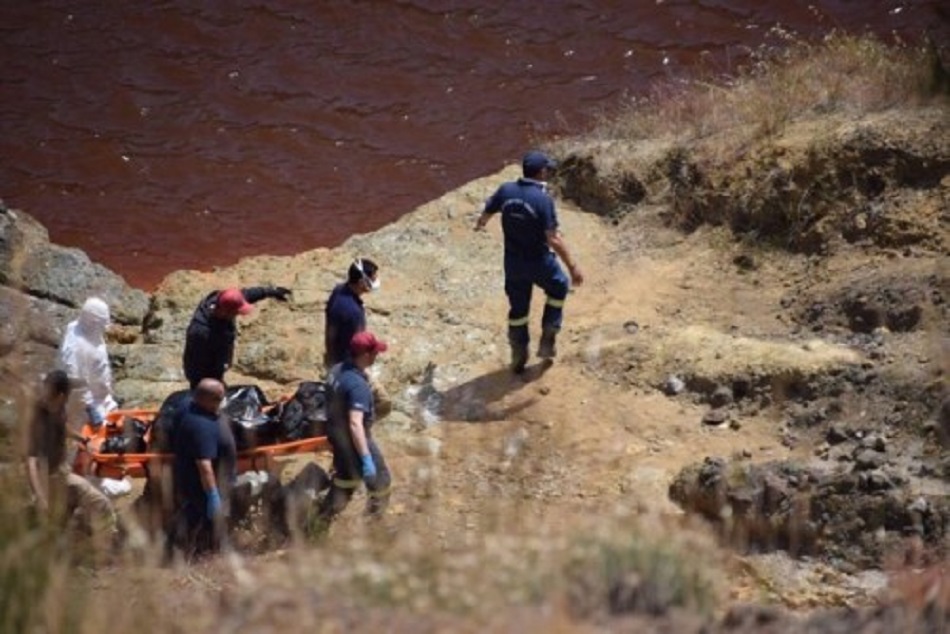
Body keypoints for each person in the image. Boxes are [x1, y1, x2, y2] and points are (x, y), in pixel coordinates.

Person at [474, 150, 585, 373]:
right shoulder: (542, 200)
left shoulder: (506, 190)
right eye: (548, 169)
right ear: (542, 171)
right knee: (559, 287)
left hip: (513, 264)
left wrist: (480, 225)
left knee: (518, 309)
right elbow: (553, 238)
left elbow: (487, 211)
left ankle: (518, 352)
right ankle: (547, 338)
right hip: (540, 262)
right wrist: (573, 267)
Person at [26, 369, 120, 550]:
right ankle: (107, 551)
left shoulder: (57, 405)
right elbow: (31, 462)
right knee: (100, 503)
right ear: (61, 395)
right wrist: (39, 496)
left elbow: (62, 425)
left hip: (62, 471)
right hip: (50, 478)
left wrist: (82, 439)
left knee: (66, 519)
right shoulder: (38, 418)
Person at [319, 331, 392, 520]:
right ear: (366, 355)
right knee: (381, 482)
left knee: (345, 479)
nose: (377, 355)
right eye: (375, 352)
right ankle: (373, 530)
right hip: (354, 440)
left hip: (336, 434)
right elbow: (355, 423)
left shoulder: (336, 370)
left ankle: (320, 519)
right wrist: (366, 458)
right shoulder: (358, 386)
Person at [182, 285, 292, 389]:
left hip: (217, 360)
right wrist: (213, 380)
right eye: (236, 312)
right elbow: (196, 363)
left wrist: (270, 291)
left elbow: (247, 294)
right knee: (209, 399)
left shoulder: (222, 301)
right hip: (202, 372)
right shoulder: (201, 333)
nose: (238, 315)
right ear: (225, 312)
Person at [167, 378, 227, 559]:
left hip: (185, 473)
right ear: (208, 401)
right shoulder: (202, 427)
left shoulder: (186, 406)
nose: (222, 403)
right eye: (219, 399)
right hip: (200, 484)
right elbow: (204, 466)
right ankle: (194, 554)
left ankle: (181, 548)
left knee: (190, 513)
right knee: (199, 517)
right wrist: (213, 495)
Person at [59, 297, 117, 428]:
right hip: (88, 407)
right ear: (92, 321)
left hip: (104, 399)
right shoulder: (75, 346)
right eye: (101, 324)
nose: (103, 329)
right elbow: (75, 380)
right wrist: (90, 408)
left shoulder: (92, 333)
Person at [324, 258, 380, 368]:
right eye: (373, 279)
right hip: (347, 362)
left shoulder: (339, 290)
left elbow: (331, 331)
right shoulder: (353, 312)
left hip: (334, 354)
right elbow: (359, 343)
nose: (376, 281)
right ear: (361, 282)